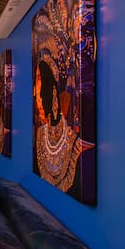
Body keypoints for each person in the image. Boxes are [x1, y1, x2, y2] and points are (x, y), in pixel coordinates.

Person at [34, 60, 81, 193]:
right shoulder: (40, 135)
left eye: (40, 79)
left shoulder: (73, 140)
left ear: (53, 89)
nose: (37, 94)